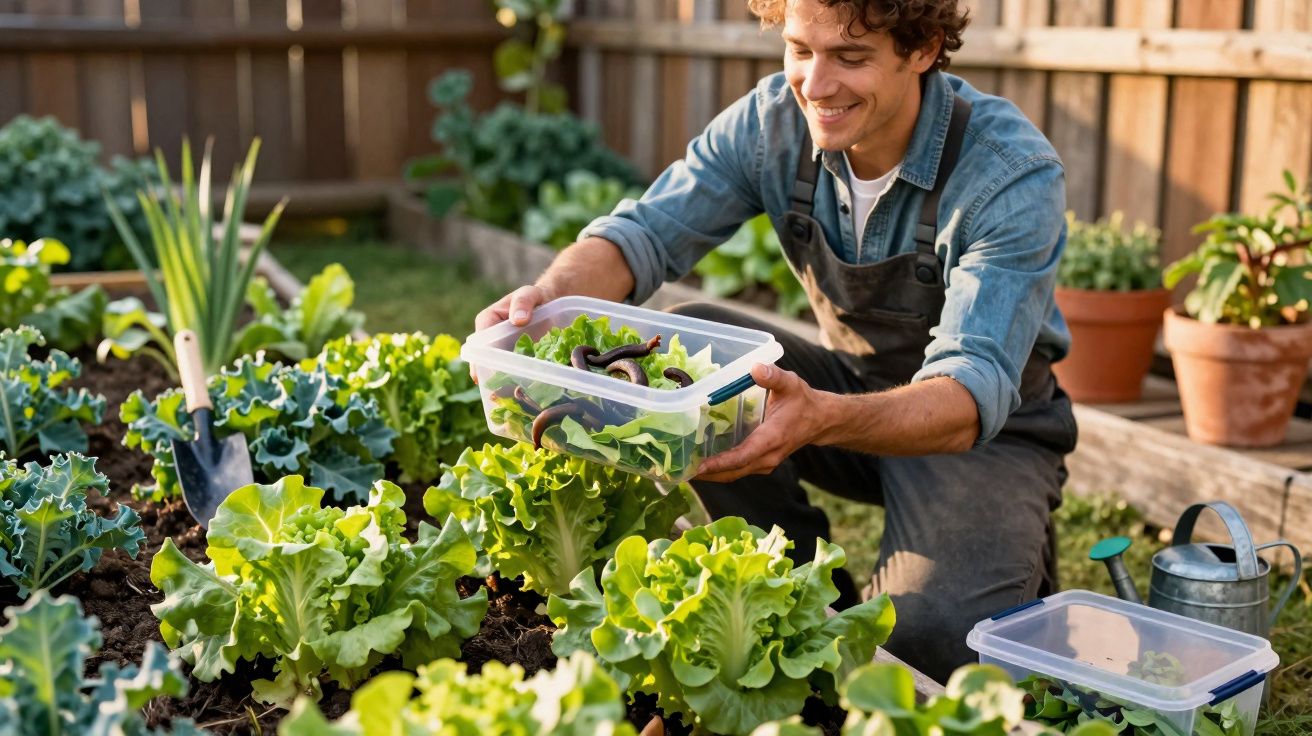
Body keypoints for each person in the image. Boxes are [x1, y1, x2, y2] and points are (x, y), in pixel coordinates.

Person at [473, 0, 1076, 683]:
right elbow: (643, 235)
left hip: (980, 432)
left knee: (930, 643)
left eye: (851, 58)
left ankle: (1006, 546)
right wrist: (546, 300)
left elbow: (972, 390)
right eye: (799, 50)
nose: (815, 86)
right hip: (849, 388)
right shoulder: (772, 125)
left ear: (924, 49)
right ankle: (794, 590)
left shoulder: (1007, 170)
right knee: (712, 348)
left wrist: (822, 416)